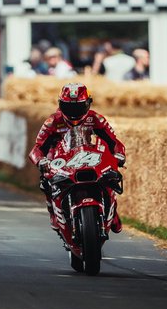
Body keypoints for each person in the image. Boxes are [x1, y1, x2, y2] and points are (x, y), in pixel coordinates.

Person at [28, 83, 127, 234]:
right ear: (60, 105)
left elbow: (114, 142)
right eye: (69, 107)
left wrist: (119, 155)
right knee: (46, 181)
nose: (74, 112)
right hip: (61, 160)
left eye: (78, 107)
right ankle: (54, 214)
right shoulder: (53, 121)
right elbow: (37, 148)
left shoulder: (96, 118)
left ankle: (112, 212)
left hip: (90, 157)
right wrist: (41, 161)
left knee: (110, 177)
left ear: (88, 104)